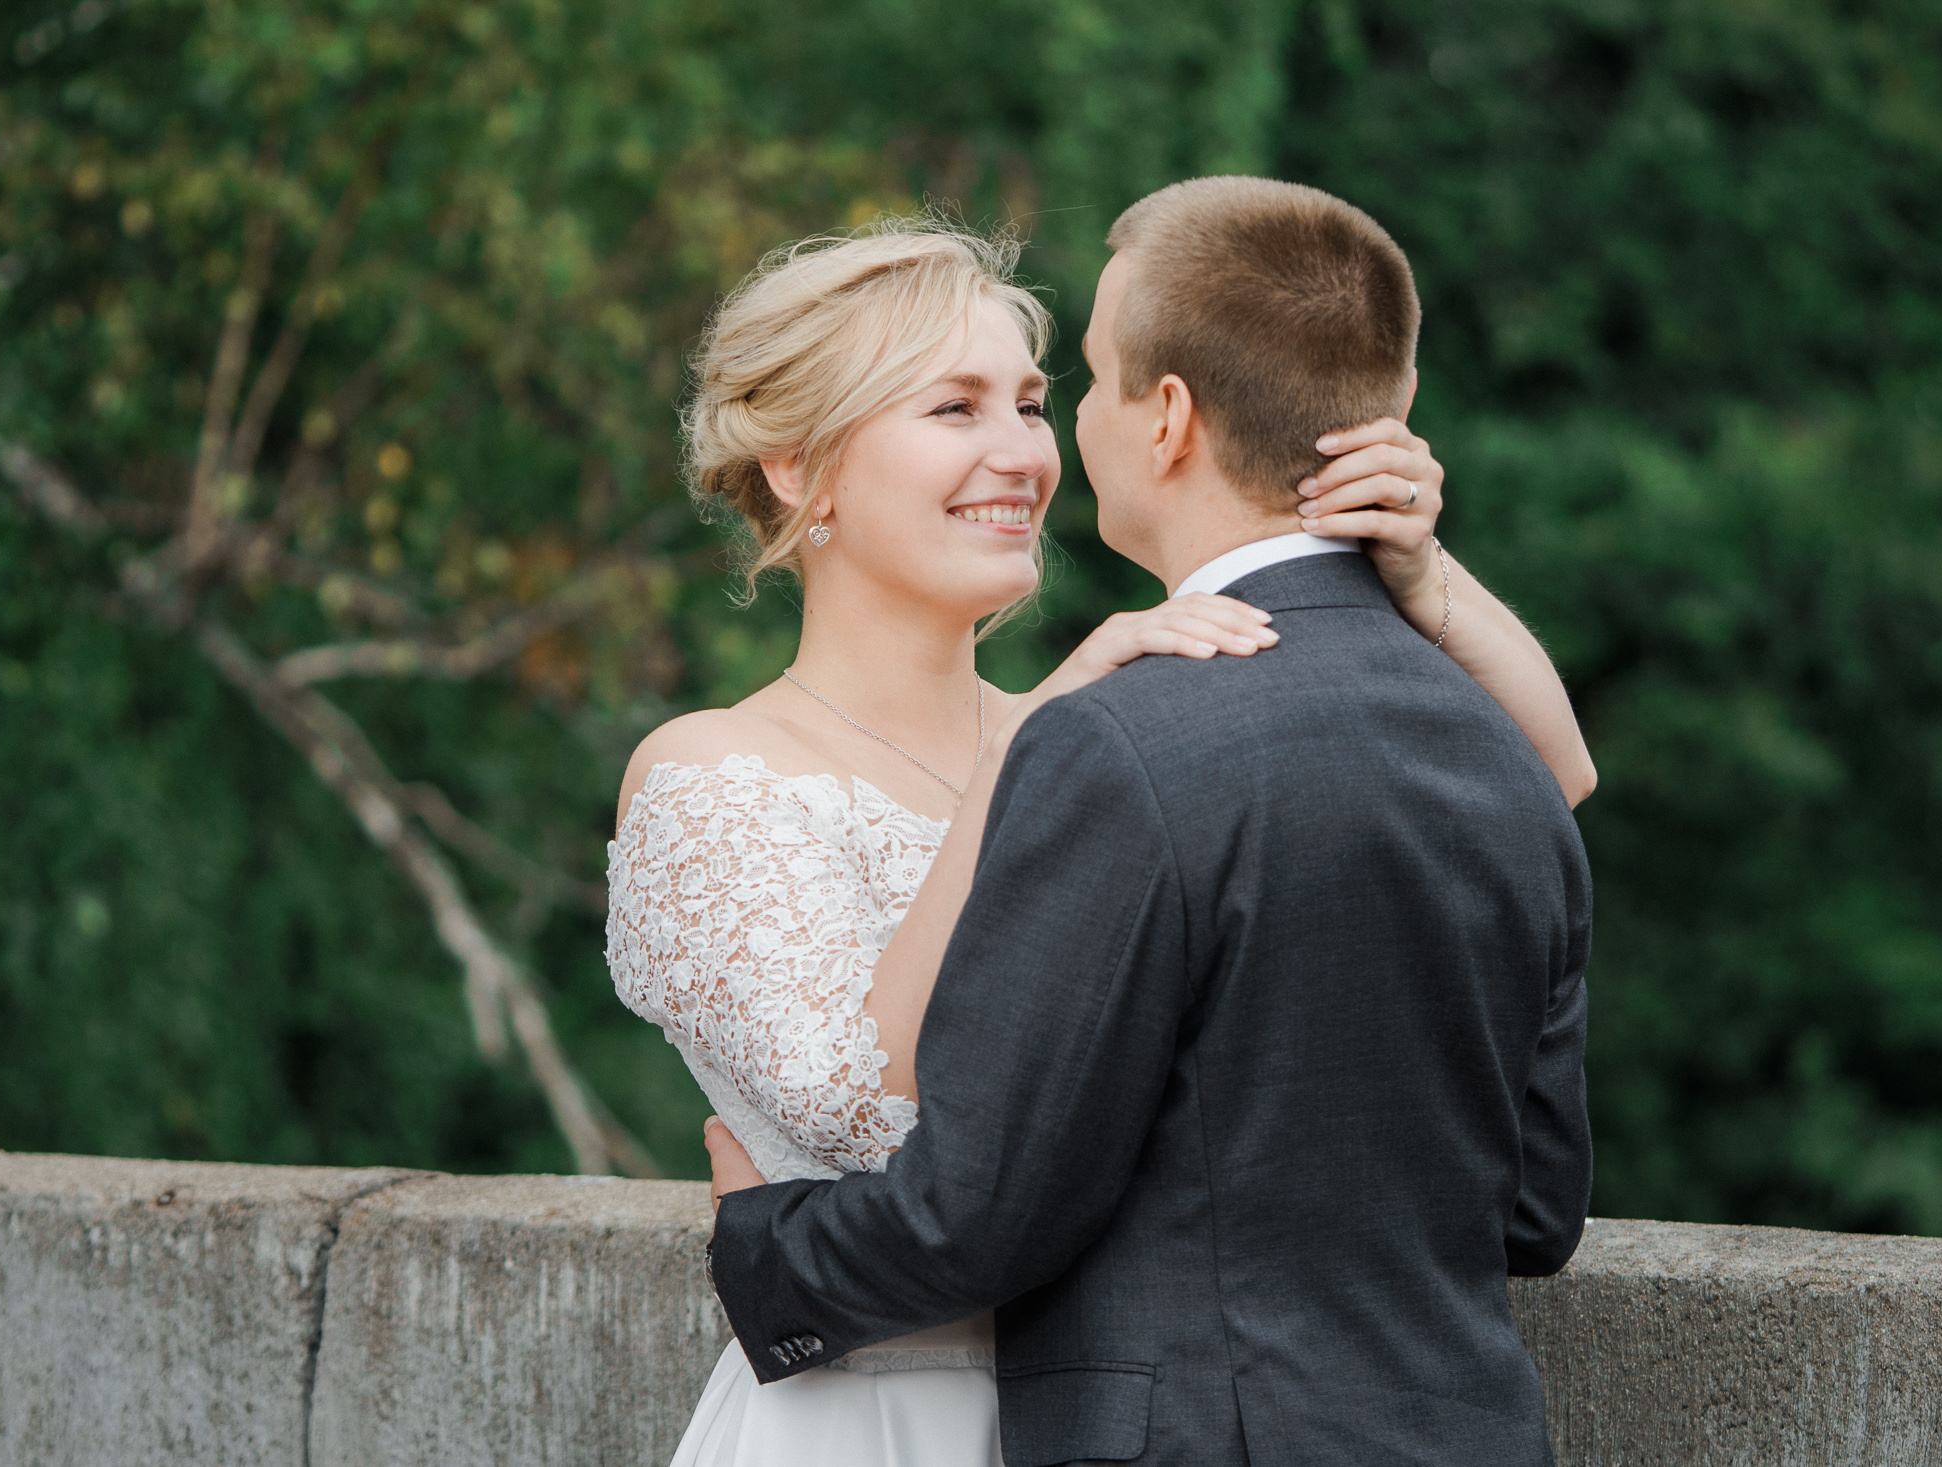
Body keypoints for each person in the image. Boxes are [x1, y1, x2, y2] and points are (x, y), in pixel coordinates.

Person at [611, 194, 1593, 1467]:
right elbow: (869, 1111)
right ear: (799, 467)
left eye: (1030, 401)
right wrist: (1030, 754)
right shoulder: (716, 771)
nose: (1021, 451)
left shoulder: (1109, 739)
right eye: (952, 407)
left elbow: (1540, 782)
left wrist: (1421, 568)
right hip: (879, 1420)